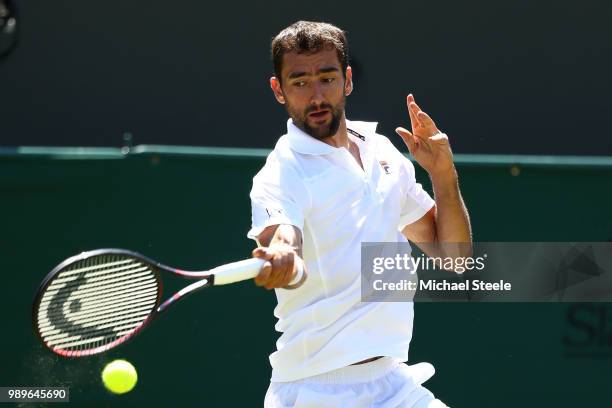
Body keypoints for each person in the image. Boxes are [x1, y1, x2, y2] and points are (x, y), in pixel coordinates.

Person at [248, 21, 471, 408]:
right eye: (299, 82)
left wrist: (443, 174)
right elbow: (283, 233)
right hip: (314, 391)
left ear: (347, 80)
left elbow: (453, 257)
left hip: (392, 383)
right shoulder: (281, 172)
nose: (316, 95)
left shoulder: (383, 152)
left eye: (327, 78)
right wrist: (284, 253)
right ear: (278, 90)